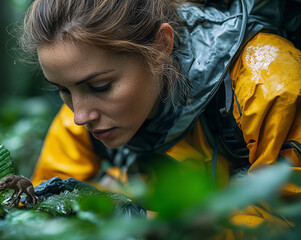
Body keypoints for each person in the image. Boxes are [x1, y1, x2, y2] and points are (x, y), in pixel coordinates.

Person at [19, 0, 301, 233]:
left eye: (100, 87)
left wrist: (143, 225)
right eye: (63, 90)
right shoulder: (83, 121)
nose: (79, 115)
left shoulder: (269, 82)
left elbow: (286, 218)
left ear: (161, 46)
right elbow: (35, 218)